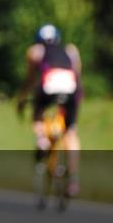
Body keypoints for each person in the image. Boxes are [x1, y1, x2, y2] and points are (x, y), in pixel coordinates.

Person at [17, 23, 82, 197]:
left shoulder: (35, 51)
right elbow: (77, 76)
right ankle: (74, 181)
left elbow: (30, 80)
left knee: (37, 112)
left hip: (49, 84)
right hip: (70, 87)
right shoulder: (71, 50)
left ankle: (41, 140)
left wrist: (22, 100)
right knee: (70, 132)